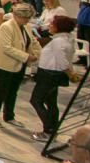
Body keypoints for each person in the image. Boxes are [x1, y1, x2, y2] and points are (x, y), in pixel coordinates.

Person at [0, 3, 41, 126]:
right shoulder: (6, 27)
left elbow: (32, 41)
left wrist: (37, 53)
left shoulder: (25, 26)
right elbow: (6, 47)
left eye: (28, 18)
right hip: (2, 63)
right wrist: (26, 56)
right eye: (24, 18)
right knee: (1, 91)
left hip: (18, 64)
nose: (27, 20)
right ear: (16, 15)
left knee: (13, 91)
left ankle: (9, 116)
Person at [30, 15, 77, 143]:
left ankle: (48, 130)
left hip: (49, 74)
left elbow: (63, 62)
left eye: (52, 24)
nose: (49, 26)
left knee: (36, 101)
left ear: (58, 27)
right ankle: (52, 129)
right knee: (51, 102)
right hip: (53, 74)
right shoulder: (67, 39)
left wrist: (71, 73)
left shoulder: (58, 42)